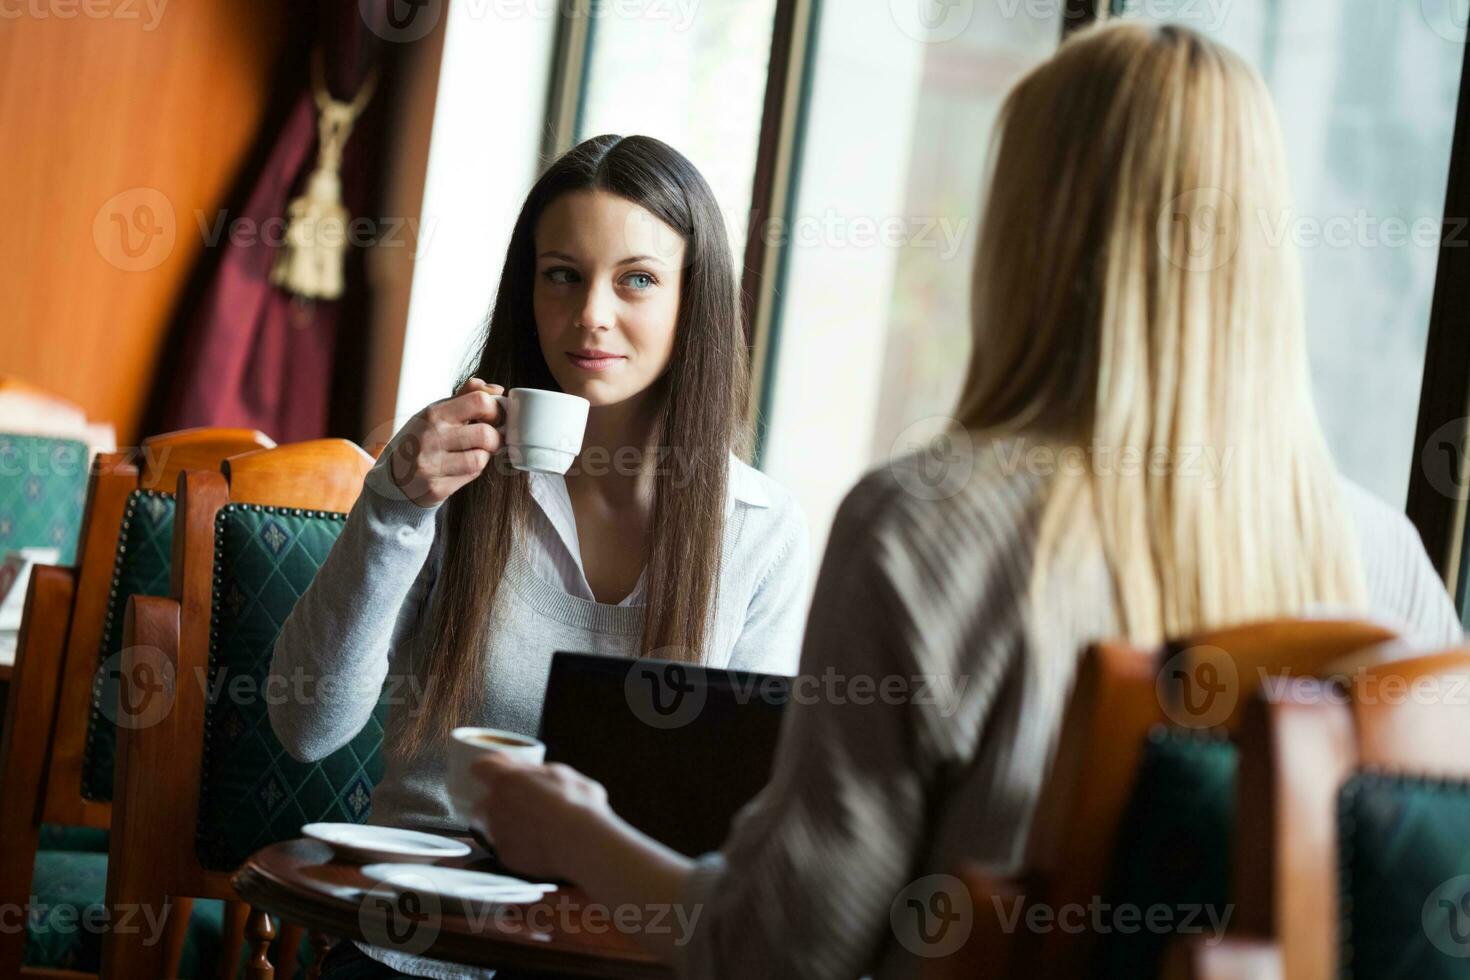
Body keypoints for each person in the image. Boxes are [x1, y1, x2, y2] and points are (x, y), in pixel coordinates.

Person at [468, 22, 1465, 980]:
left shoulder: (923, 527)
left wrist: (573, 829)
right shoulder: (1391, 569)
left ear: (1026, 236)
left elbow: (779, 952)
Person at [268, 134, 810, 979]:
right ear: (530, 291)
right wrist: (394, 507)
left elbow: (742, 819)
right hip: (419, 945)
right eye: (562, 274)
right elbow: (307, 728)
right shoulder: (447, 473)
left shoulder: (760, 528)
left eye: (636, 278)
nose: (592, 312)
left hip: (614, 956)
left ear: (692, 301)